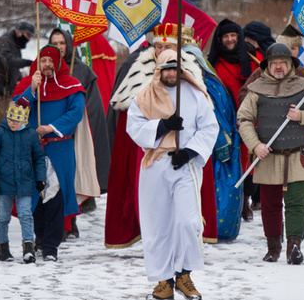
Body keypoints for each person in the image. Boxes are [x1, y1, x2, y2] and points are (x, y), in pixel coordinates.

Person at [104, 23, 214, 247]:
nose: (161, 50)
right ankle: (153, 240)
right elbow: (130, 118)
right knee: (150, 204)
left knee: (184, 209)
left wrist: (191, 150)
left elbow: (206, 120)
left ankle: (182, 252)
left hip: (184, 152)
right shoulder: (137, 69)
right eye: (158, 45)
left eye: (167, 46)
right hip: (148, 150)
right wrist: (159, 128)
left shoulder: (190, 71)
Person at [126, 49, 219, 300]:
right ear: (159, 69)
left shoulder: (195, 94)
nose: (171, 73)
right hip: (156, 165)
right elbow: (133, 127)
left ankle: (184, 275)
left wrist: (189, 152)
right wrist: (163, 125)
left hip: (184, 166)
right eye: (166, 68)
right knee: (158, 225)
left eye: (175, 68)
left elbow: (210, 127)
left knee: (188, 222)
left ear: (181, 70)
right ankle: (163, 281)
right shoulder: (145, 96)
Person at [239, 25, 304, 262]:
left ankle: (294, 246)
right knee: (269, 205)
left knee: (297, 203)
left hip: (299, 155)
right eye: (274, 62)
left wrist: (302, 116)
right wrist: (255, 145)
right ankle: (273, 248)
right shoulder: (256, 89)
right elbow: (244, 119)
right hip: (267, 156)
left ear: (290, 64)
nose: (279, 66)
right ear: (267, 65)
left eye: (283, 62)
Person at [13, 44, 85, 262]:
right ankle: (39, 239)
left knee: (55, 197)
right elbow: (15, 113)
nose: (47, 65)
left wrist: (50, 128)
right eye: (43, 60)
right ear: (37, 63)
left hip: (59, 148)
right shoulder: (27, 85)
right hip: (32, 149)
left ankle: (52, 247)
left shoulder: (71, 85)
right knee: (34, 196)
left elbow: (76, 113)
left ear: (59, 62)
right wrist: (31, 91)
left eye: (51, 61)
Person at [182, 33, 244, 241]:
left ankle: (213, 229)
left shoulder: (212, 86)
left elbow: (218, 119)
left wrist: (220, 145)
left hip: (214, 148)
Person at [48, 28, 111, 221]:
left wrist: (76, 120)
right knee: (52, 179)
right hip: (50, 132)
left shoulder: (82, 70)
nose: (58, 47)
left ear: (68, 44)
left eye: (62, 43)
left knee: (72, 177)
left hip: (75, 132)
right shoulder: (44, 67)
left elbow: (92, 105)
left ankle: (70, 220)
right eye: (54, 43)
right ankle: (56, 223)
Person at [0, 97, 47, 264]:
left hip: (24, 183)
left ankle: (28, 247)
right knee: (3, 217)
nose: (12, 123)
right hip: (3, 184)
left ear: (24, 120)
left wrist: (40, 179)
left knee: (26, 214)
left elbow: (38, 158)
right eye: (10, 119)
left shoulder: (31, 136)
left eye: (16, 121)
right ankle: (2, 248)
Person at [207, 18, 259, 222]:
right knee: (229, 160)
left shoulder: (250, 57)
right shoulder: (215, 63)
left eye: (233, 35)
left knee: (248, 161)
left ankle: (245, 201)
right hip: (225, 119)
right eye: (226, 36)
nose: (230, 40)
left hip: (248, 118)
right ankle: (229, 203)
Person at [0, 21, 36, 100]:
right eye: (28, 35)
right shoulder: (3, 42)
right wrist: (28, 62)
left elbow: (14, 68)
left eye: (31, 36)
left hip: (6, 89)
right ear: (18, 32)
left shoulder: (14, 44)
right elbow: (9, 61)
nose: (29, 39)